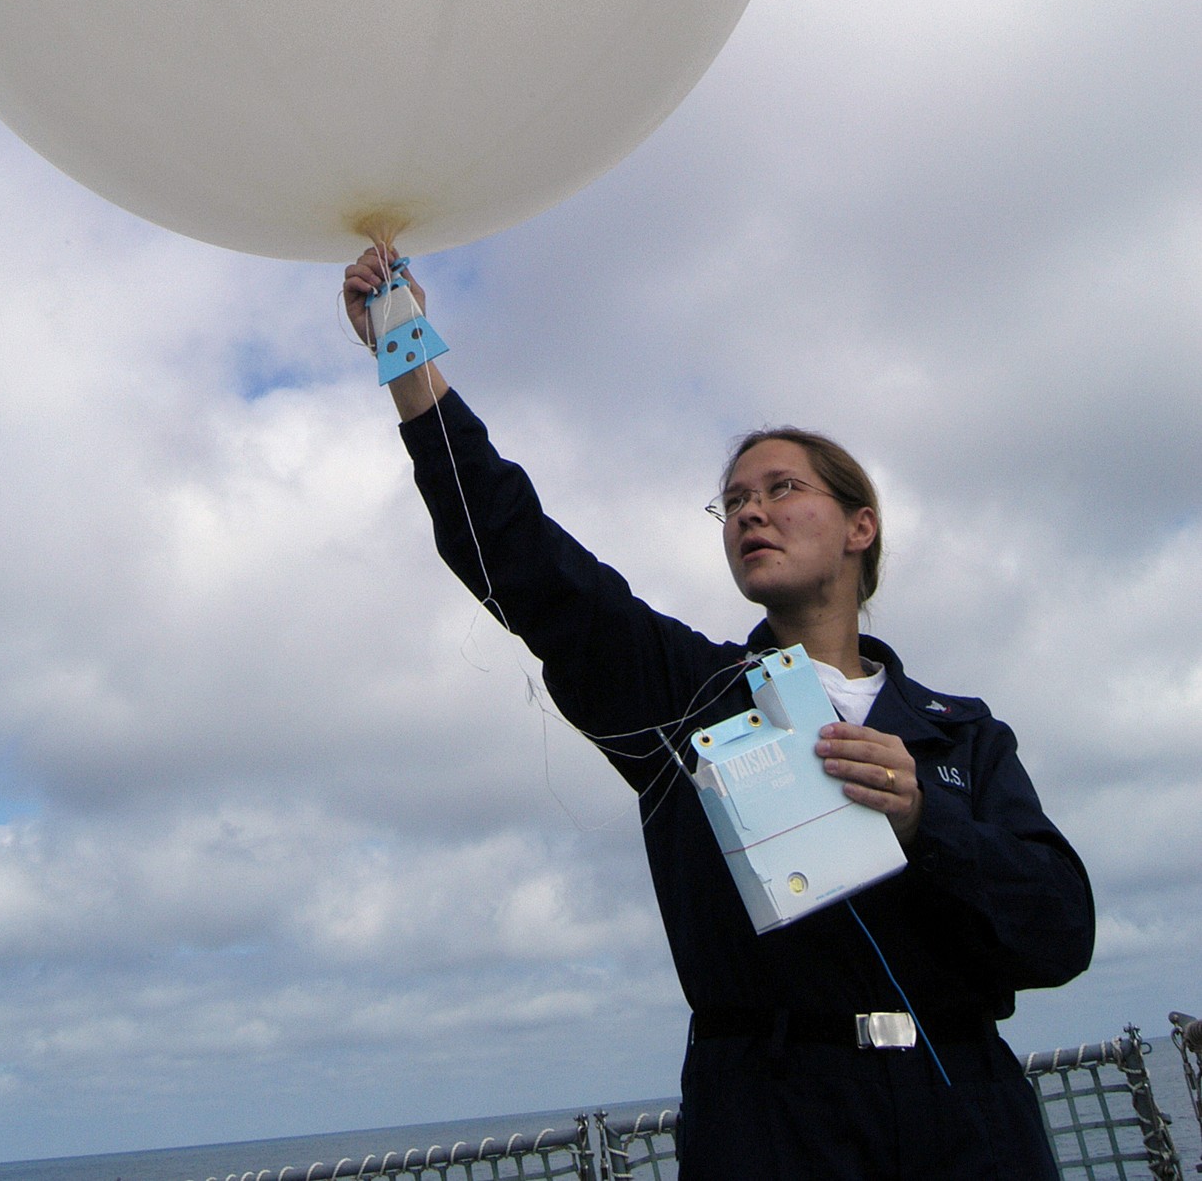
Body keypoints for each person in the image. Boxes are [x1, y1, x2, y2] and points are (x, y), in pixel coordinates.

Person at [343, 248, 1094, 1181]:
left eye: (783, 489)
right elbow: (519, 555)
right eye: (734, 500)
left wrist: (923, 818)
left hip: (970, 1114)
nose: (750, 512)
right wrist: (404, 356)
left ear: (860, 526)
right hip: (771, 1116)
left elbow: (1062, 933)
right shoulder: (683, 697)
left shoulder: (962, 735)